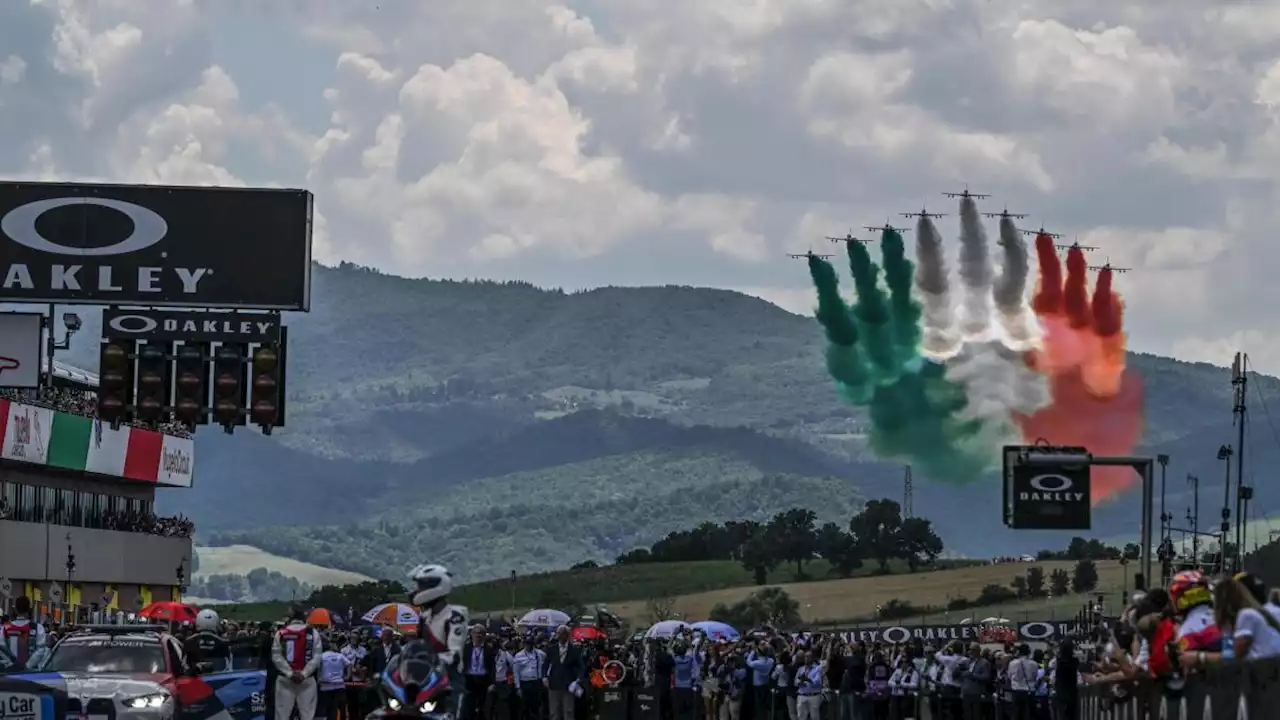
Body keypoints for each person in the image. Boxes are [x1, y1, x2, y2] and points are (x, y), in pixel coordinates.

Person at [409, 564, 470, 718]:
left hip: (449, 678)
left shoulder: (455, 615)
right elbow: (418, 645)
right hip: (426, 677)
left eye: (422, 586)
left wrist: (431, 658)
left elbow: (454, 652)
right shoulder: (424, 617)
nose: (418, 591)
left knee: (451, 714)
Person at [273, 606, 325, 720]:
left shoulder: (281, 633)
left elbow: (276, 656)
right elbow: (317, 656)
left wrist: (290, 673)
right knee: (307, 714)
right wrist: (304, 673)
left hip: (285, 679)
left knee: (282, 714)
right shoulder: (313, 633)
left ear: (290, 617)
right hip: (307, 679)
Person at [2, 596, 46, 668]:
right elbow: (40, 649)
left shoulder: (5, 628)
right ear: (29, 609)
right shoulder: (38, 628)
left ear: (15, 609)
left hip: (9, 672)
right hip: (30, 673)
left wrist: (9, 664)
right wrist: (28, 666)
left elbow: (2, 648)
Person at [187, 608, 231, 673]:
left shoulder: (189, 642)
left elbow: (184, 666)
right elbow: (226, 665)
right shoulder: (222, 642)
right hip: (216, 678)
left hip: (194, 678)